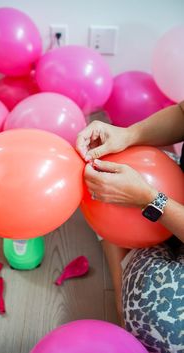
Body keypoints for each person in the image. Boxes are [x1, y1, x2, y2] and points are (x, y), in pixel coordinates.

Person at [76, 102, 184, 353]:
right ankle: (123, 256)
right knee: (108, 167)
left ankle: (122, 275)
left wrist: (149, 198)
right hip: (175, 188)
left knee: (166, 326)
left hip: (163, 200)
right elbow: (182, 114)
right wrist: (128, 135)